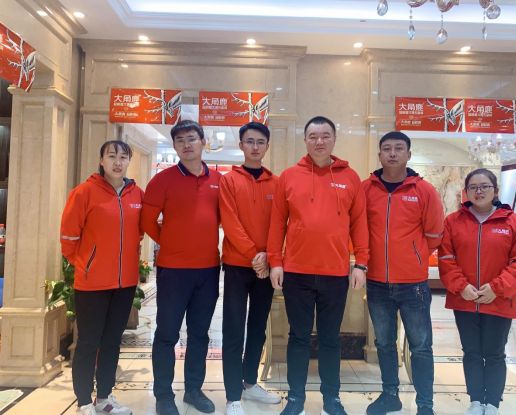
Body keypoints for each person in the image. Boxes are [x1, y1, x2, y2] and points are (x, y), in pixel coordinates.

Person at [267, 116, 369, 415]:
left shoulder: (350, 177)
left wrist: (361, 263)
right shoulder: (289, 176)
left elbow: (359, 223)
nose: (319, 141)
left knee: (330, 339)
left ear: (334, 139)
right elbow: (277, 223)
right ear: (305, 140)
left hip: (335, 273)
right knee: (298, 337)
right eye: (313, 136)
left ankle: (331, 399)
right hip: (296, 272)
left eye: (325, 135)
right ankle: (295, 398)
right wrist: (275, 261)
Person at [141, 120, 221, 415]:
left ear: (203, 142)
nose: (187, 144)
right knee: (167, 333)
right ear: (174, 145)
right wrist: (171, 242)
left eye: (192, 138)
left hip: (208, 270)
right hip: (173, 271)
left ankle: (193, 390)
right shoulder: (162, 180)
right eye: (180, 140)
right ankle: (163, 394)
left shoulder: (219, 180)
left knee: (199, 334)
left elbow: (224, 218)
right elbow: (147, 221)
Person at [362, 131, 444, 415]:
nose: (393, 153)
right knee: (384, 343)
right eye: (387, 149)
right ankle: (390, 396)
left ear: (409, 154)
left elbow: (435, 234)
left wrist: (414, 256)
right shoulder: (366, 189)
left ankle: (425, 405)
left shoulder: (424, 190)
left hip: (413, 285)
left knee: (420, 346)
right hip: (376, 282)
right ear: (380, 155)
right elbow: (358, 228)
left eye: (399, 148)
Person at [438, 168, 516, 415]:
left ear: (495, 190)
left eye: (484, 186)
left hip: (499, 301)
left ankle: (492, 404)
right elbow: (446, 258)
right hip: (464, 300)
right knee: (471, 352)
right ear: (466, 192)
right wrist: (461, 286)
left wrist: (496, 288)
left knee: (494, 353)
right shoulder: (453, 221)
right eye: (473, 187)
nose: (478, 191)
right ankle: (476, 401)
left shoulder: (514, 222)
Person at [60, 140, 143, 415]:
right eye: (112, 156)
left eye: (123, 157)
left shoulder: (136, 194)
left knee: (112, 342)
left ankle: (105, 397)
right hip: (92, 284)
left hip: (125, 284)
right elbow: (68, 238)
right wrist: (86, 265)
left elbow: (139, 233)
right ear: (101, 160)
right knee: (88, 342)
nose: (118, 162)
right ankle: (84, 401)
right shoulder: (84, 192)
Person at [219, 122, 281, 415]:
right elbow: (230, 222)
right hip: (236, 266)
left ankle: (250, 382)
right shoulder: (229, 180)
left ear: (267, 146)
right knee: (233, 329)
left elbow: (280, 224)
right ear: (241, 145)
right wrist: (254, 255)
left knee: (258, 328)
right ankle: (233, 395)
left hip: (266, 268)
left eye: (260, 142)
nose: (255, 147)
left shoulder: (276, 183)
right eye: (249, 141)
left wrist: (268, 256)